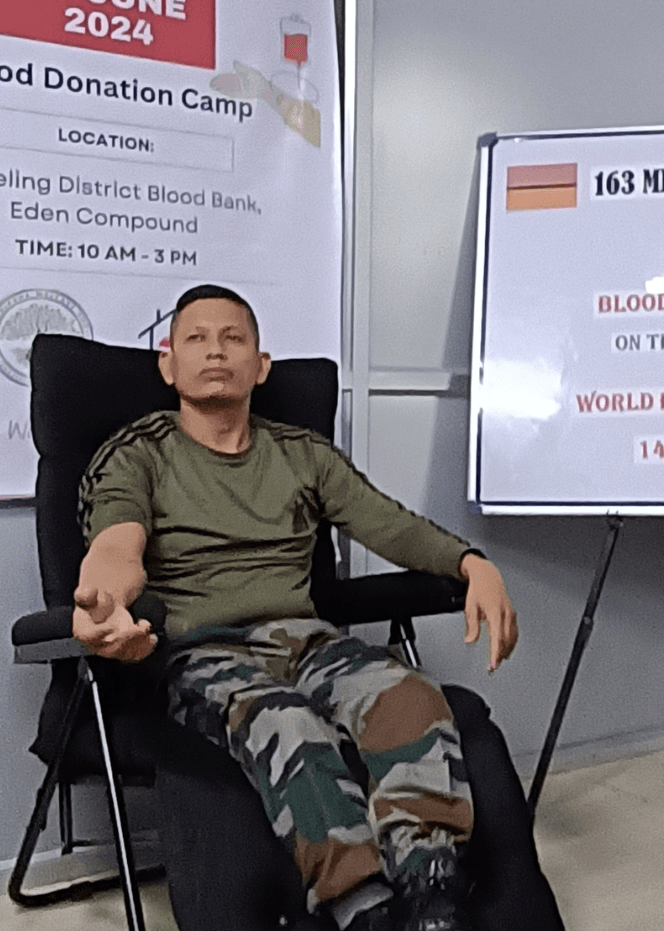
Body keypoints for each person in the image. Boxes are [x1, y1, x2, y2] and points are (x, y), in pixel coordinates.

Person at [72, 284, 518, 931]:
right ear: (168, 365)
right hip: (203, 651)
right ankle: (363, 905)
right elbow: (117, 544)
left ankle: (431, 890)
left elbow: (387, 524)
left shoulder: (302, 454)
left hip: (308, 642)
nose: (215, 351)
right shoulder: (136, 453)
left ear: (262, 365)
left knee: (408, 694)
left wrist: (472, 562)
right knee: (287, 724)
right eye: (195, 339)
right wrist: (104, 600)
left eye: (234, 338)